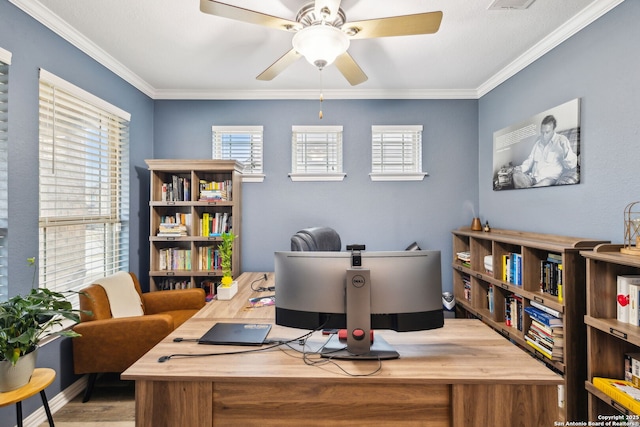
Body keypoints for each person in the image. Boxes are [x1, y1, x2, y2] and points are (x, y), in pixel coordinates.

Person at [512, 115, 577, 188]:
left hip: (549, 179)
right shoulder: (538, 143)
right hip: (533, 178)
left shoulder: (562, 140)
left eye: (547, 132)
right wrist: (521, 168)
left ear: (553, 130)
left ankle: (529, 190)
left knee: (542, 184)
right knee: (515, 175)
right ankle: (529, 190)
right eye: (542, 132)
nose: (544, 136)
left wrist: (565, 149)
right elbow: (529, 161)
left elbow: (571, 165)